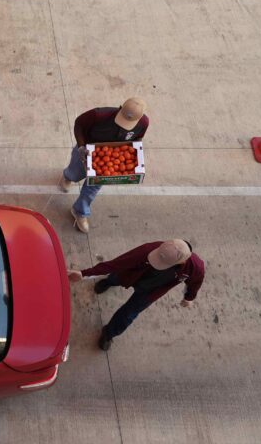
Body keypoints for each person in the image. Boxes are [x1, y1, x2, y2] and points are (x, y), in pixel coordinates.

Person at [68, 239, 204, 350]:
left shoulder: (196, 267)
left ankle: (109, 333)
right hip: (133, 276)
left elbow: (195, 282)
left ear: (182, 262)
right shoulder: (149, 249)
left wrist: (189, 297)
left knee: (128, 314)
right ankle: (109, 281)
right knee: (116, 277)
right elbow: (117, 263)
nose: (154, 259)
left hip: (151, 291)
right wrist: (84, 274)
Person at [59, 97, 149, 233]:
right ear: (120, 108)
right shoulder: (98, 115)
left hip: (109, 161)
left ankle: (79, 211)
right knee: (75, 171)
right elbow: (79, 124)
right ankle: (68, 177)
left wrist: (132, 155)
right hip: (86, 151)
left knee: (92, 189)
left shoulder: (143, 123)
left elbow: (138, 139)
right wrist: (81, 146)